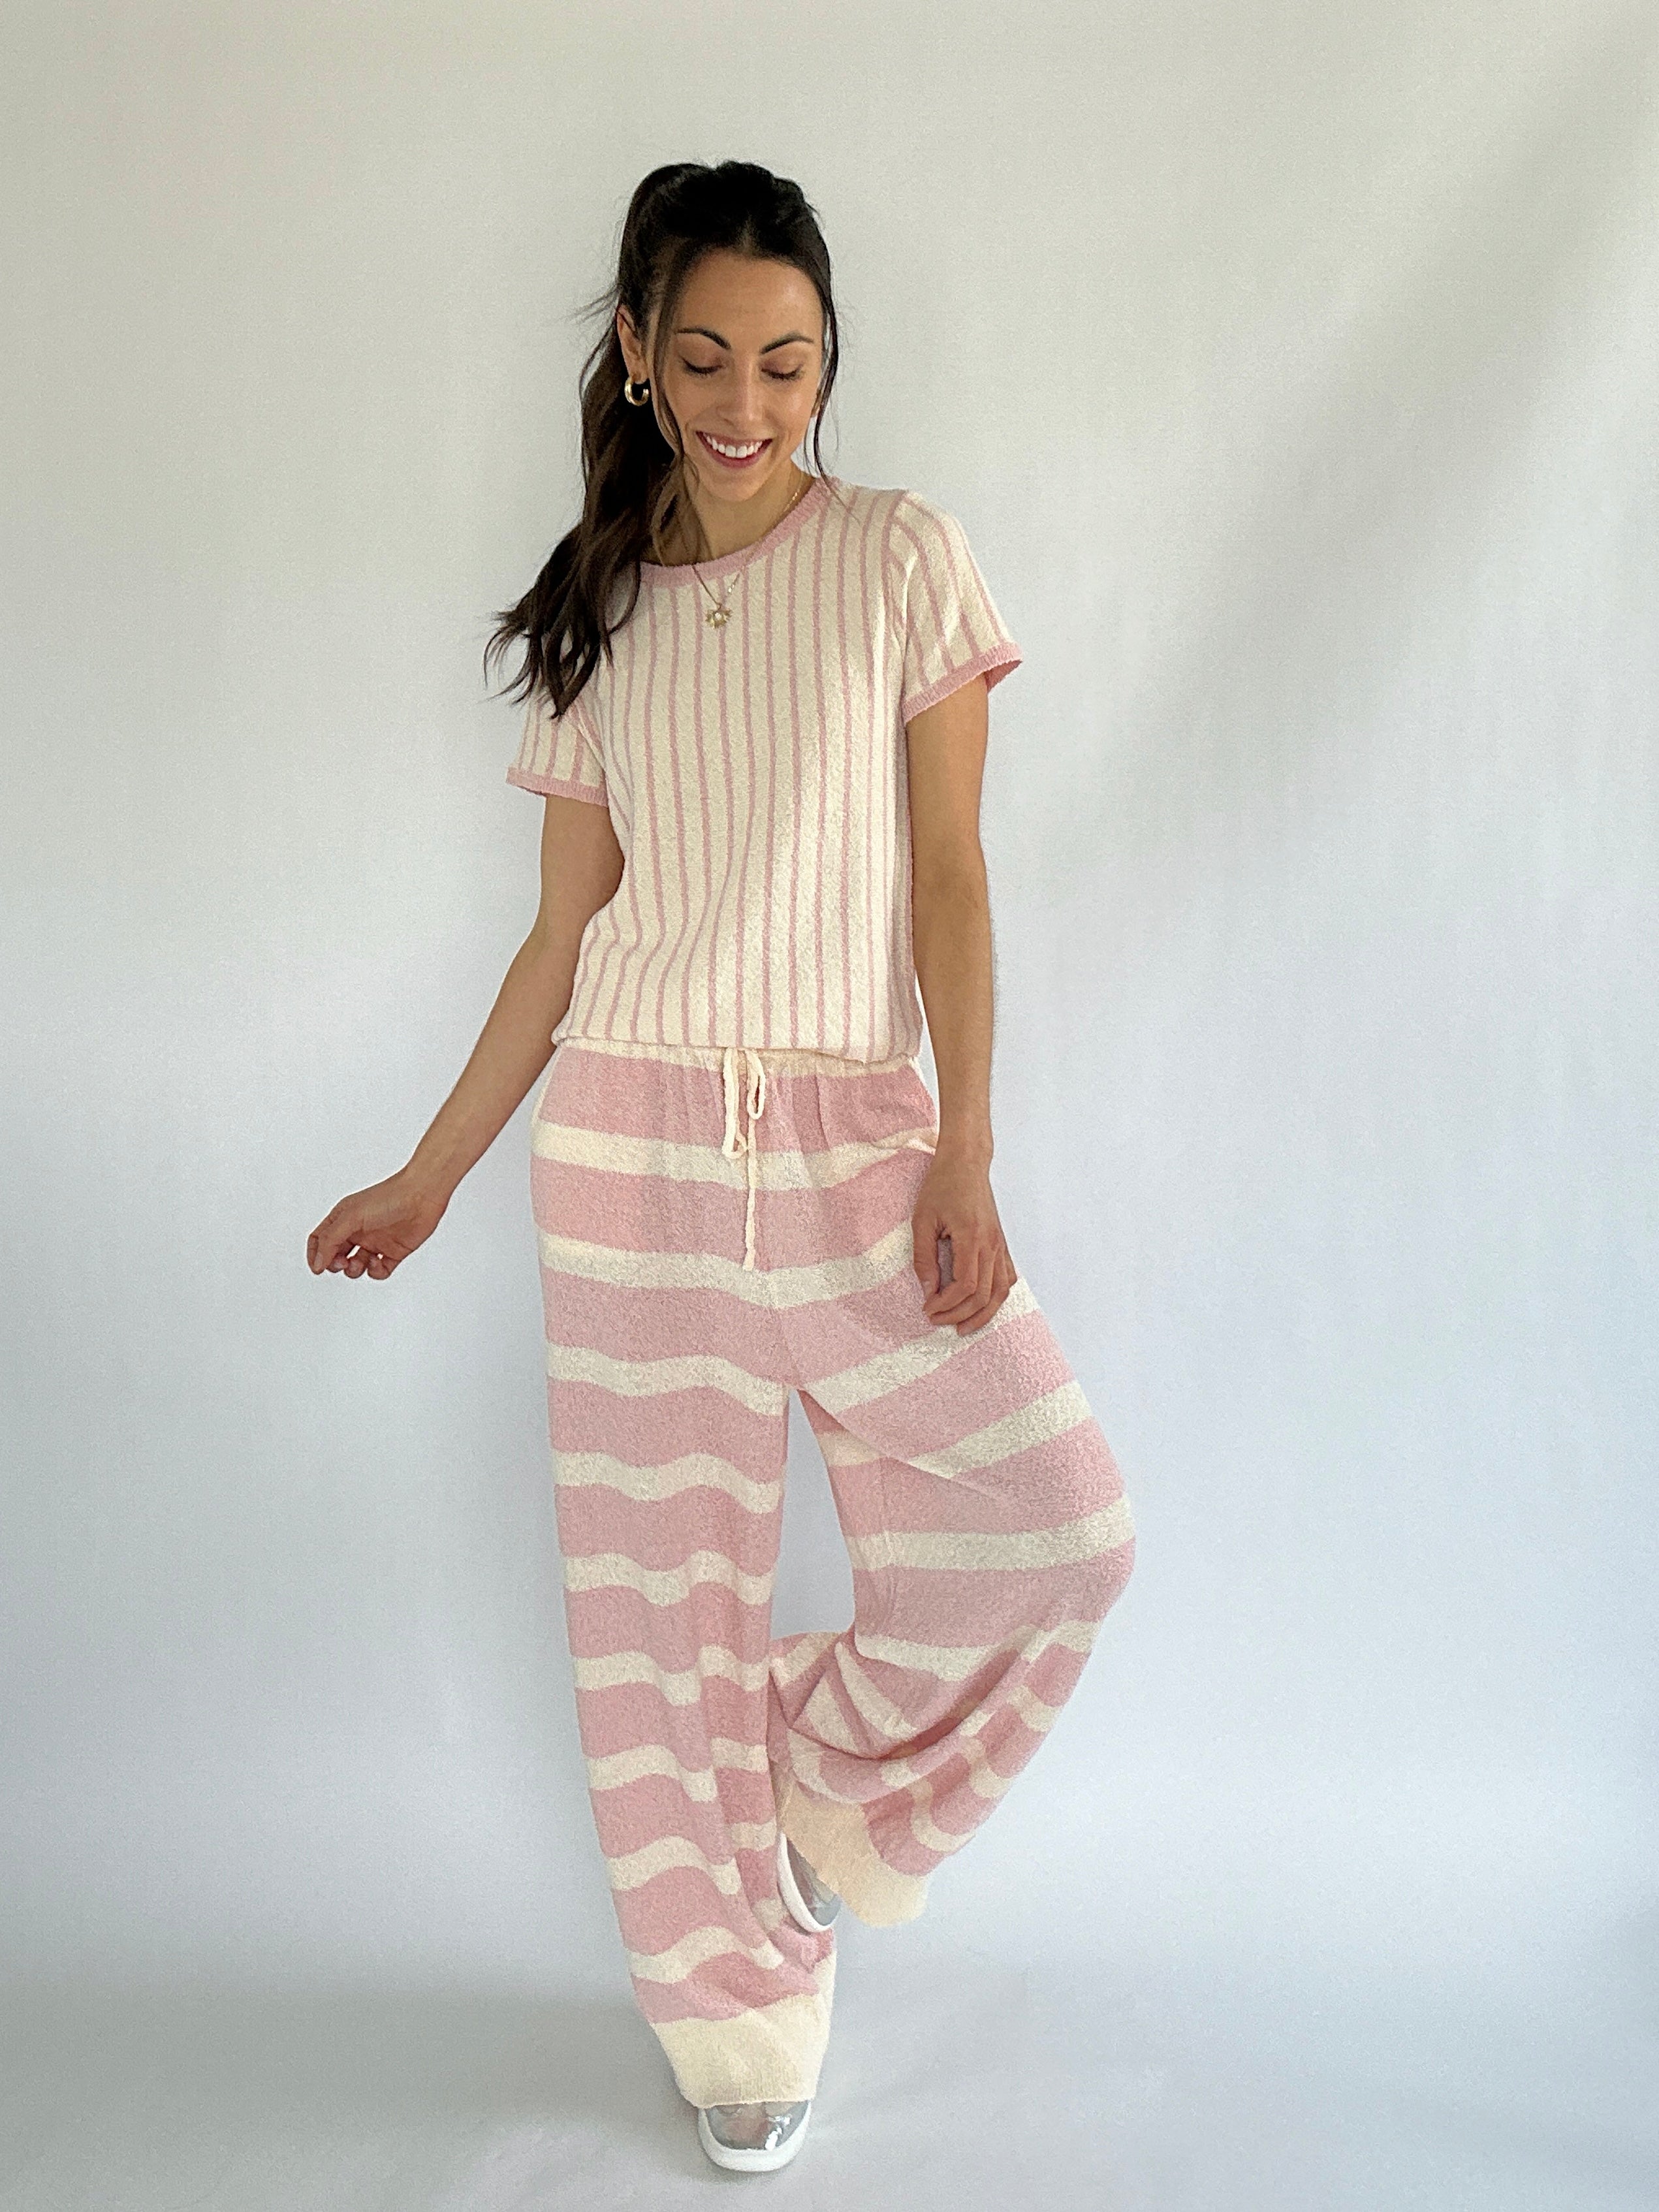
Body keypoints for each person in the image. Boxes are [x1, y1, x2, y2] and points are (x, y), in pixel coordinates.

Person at [308, 158, 1136, 2177]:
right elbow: (557, 944)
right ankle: (733, 2005)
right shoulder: (601, 619)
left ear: (829, 359)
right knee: (650, 1614)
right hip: (633, 1159)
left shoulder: (901, 561)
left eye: (787, 359)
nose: (749, 399)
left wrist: (969, 1141)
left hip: (860, 1139)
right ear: (638, 356)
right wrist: (430, 1173)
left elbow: (949, 876)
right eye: (707, 358)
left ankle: (825, 1795)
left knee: (1058, 1526)